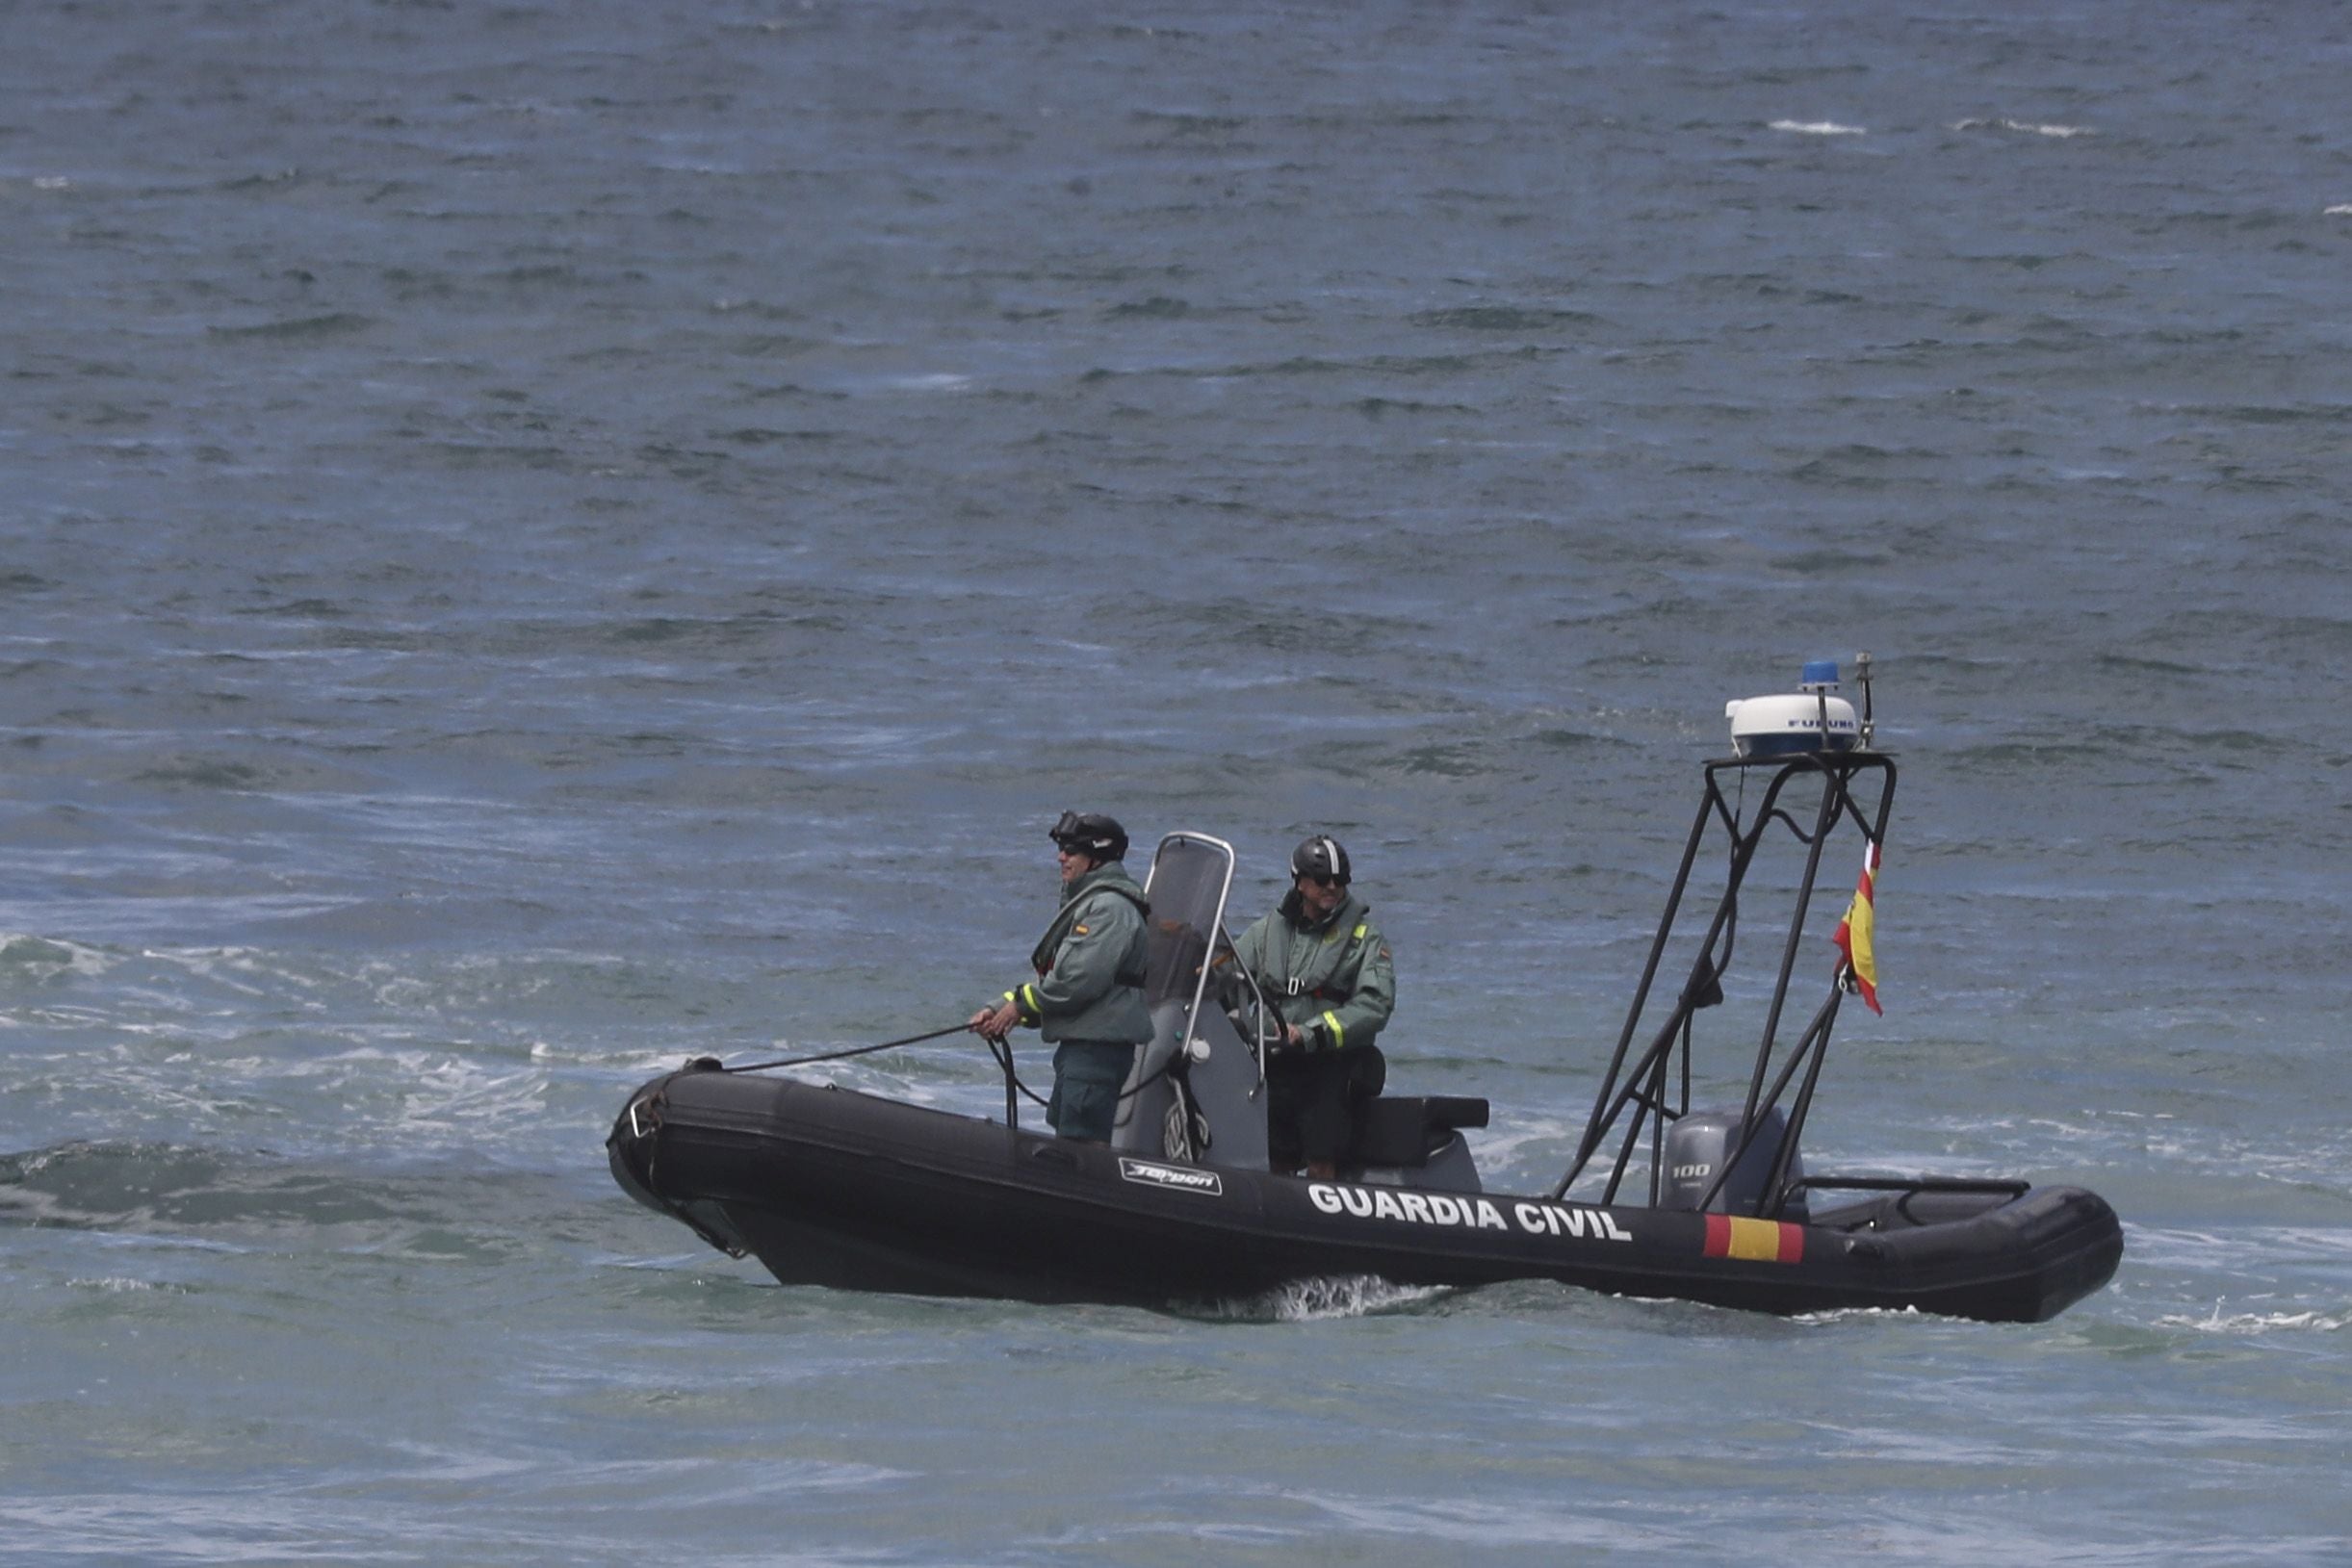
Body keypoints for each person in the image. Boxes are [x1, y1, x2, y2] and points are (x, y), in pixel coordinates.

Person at [969, 811, 1152, 1144]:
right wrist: (1001, 1008)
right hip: (1081, 1049)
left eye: (1071, 850)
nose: (1061, 857)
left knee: (1080, 1150)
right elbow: (1058, 980)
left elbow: (1076, 982)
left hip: (1096, 1054)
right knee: (1068, 1139)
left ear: (1096, 857)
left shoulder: (1110, 909)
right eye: (1062, 849)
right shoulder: (1093, 903)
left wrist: (1020, 1007)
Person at [1229, 835, 1395, 1179]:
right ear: (1300, 883)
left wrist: (1310, 1033)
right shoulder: (1265, 932)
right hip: (1275, 1059)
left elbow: (1374, 1005)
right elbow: (1230, 975)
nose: (1332, 887)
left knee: (1322, 1157)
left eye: (1340, 880)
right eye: (1322, 880)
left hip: (1330, 1063)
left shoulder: (1365, 937)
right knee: (1276, 1156)